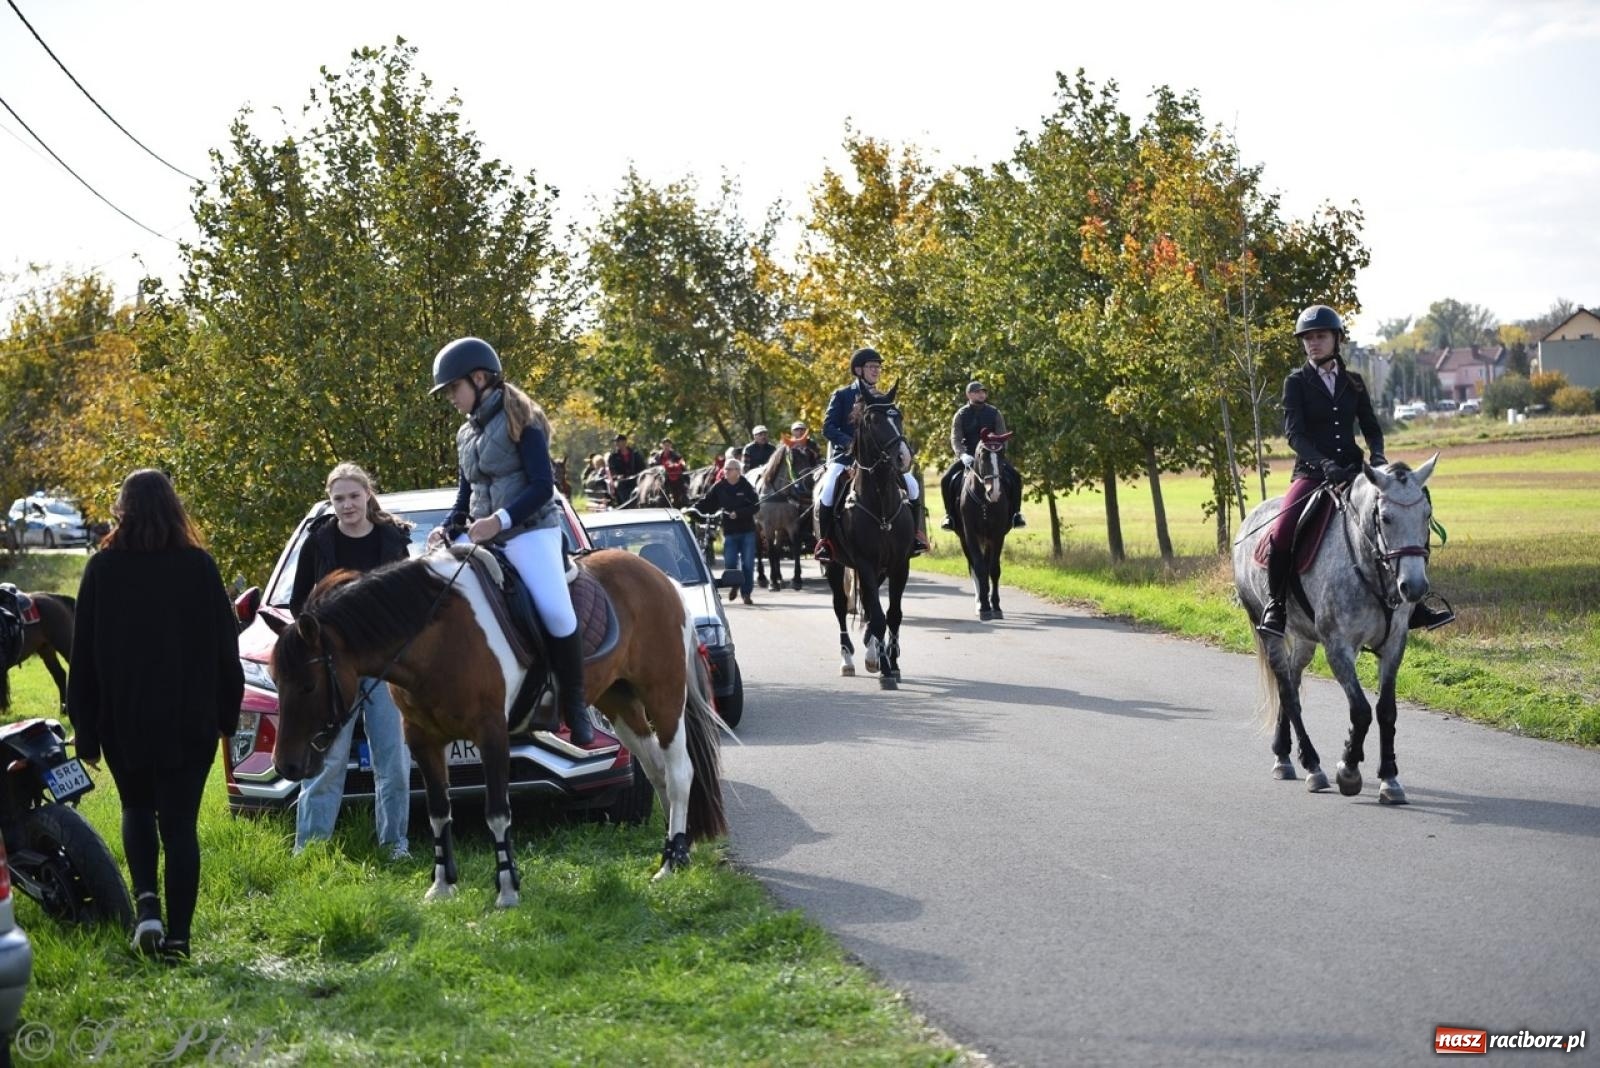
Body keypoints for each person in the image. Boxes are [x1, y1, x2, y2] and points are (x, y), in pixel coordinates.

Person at [66, 469, 243, 963]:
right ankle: (179, 941)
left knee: (137, 808)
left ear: (122, 510)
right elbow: (226, 648)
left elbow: (83, 657)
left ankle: (147, 907)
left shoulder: (102, 570)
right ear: (173, 508)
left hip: (124, 718)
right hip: (190, 720)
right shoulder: (199, 567)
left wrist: (86, 731)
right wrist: (226, 714)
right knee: (180, 827)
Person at [427, 337, 599, 746]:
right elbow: (465, 495)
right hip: (484, 532)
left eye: (454, 388)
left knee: (557, 613)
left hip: (530, 531)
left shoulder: (523, 418)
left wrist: (500, 520)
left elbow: (542, 486)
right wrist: (448, 527)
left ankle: (575, 704)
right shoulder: (465, 434)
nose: (451, 398)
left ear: (479, 378)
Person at [1257, 305, 1456, 637]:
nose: (1313, 343)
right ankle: (1277, 606)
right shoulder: (1296, 383)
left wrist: (1377, 455)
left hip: (1354, 472)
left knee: (1405, 517)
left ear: (1336, 339)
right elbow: (1295, 435)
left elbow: (1371, 427)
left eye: (1320, 336)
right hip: (1311, 473)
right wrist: (1324, 464)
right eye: (1308, 338)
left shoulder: (1354, 382)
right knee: (1283, 532)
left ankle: (1415, 605)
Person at [287, 462, 414, 859]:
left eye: (354, 496)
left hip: (383, 666)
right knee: (328, 760)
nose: (347, 505)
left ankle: (395, 845)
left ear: (367, 495)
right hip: (334, 667)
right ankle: (310, 849)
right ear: (331, 501)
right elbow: (299, 603)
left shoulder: (392, 539)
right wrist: (323, 636)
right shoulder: (319, 541)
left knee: (393, 761)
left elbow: (408, 599)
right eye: (338, 498)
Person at [813, 347, 930, 563]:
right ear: (859, 370)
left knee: (912, 486)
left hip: (880, 461)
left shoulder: (883, 398)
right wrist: (849, 443)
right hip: (846, 458)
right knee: (827, 491)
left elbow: (891, 427)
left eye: (878, 367)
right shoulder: (842, 395)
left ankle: (915, 536)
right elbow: (828, 428)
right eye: (871, 366)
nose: (876, 370)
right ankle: (826, 543)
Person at [939, 380, 1026, 532]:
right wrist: (962, 455)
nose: (981, 394)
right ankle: (949, 516)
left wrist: (998, 454)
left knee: (1015, 477)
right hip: (969, 458)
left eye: (983, 392)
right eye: (977, 392)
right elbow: (955, 438)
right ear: (969, 394)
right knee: (946, 479)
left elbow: (1002, 436)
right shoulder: (960, 414)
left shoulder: (995, 413)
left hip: (991, 456)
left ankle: (1016, 514)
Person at [692, 456, 760, 605]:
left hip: (747, 532)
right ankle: (735, 584)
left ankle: (746, 594)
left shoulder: (746, 486)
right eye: (725, 469)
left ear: (738, 471)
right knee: (730, 564)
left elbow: (756, 506)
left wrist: (739, 513)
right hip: (729, 532)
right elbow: (707, 501)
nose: (726, 471)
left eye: (729, 469)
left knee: (748, 565)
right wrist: (692, 509)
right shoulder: (719, 486)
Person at [607, 433, 645, 507]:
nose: (616, 444)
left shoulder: (635, 454)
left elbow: (642, 467)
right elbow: (612, 470)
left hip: (635, 479)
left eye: (618, 441)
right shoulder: (613, 456)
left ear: (624, 442)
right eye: (616, 442)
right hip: (622, 481)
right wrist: (617, 476)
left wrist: (638, 475)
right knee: (620, 486)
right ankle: (627, 505)